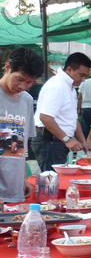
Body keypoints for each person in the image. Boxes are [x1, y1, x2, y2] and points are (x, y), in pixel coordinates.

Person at [32, 52, 91, 173]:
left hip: (58, 141)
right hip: (49, 140)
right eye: (81, 75)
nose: (83, 79)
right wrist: (67, 140)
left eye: (85, 76)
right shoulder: (57, 86)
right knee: (52, 180)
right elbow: (45, 117)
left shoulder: (70, 88)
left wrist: (83, 142)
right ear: (69, 69)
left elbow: (73, 119)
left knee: (59, 179)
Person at [0, 49, 44, 204]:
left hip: (14, 190)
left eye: (30, 82)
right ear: (8, 67)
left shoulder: (27, 100)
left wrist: (23, 179)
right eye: (19, 79)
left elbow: (21, 145)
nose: (23, 86)